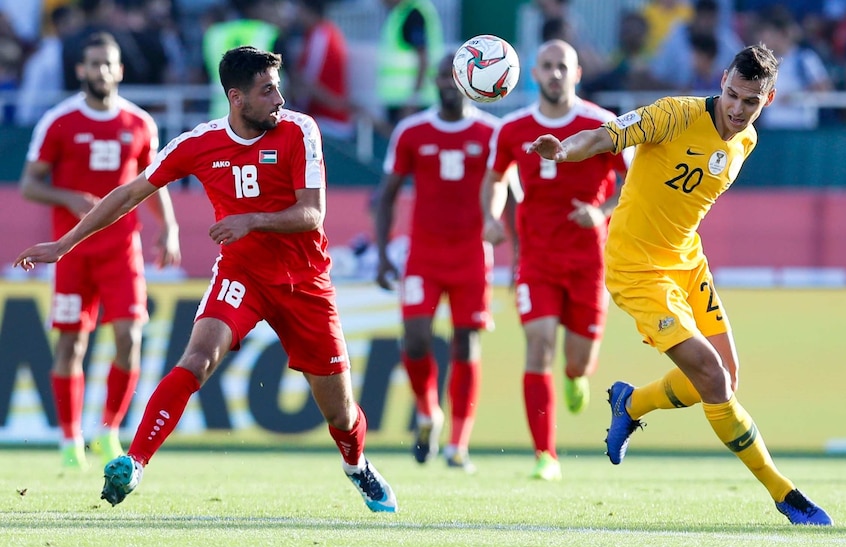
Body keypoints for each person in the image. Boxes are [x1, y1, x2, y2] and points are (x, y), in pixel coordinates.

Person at [14, 45, 398, 514]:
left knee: (338, 411)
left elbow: (312, 213)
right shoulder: (198, 143)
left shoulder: (301, 130)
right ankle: (134, 462)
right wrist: (64, 244)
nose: (279, 99)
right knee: (196, 358)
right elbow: (130, 192)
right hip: (242, 274)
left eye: (278, 88)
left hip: (305, 281)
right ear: (236, 98)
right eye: (267, 90)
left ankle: (356, 465)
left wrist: (251, 220)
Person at [529, 44, 833, 525]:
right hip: (636, 267)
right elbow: (607, 136)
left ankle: (631, 402)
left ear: (768, 100)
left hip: (687, 261)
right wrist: (565, 151)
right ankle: (784, 493)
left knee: (726, 378)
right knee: (711, 377)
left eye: (750, 102)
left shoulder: (746, 140)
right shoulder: (673, 115)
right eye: (732, 94)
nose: (737, 109)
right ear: (721, 82)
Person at [19, 31, 181, 470]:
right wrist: (68, 198)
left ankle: (108, 431)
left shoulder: (138, 122)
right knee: (71, 343)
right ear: (80, 70)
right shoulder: (59, 120)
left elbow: (154, 180)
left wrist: (168, 227)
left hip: (121, 248)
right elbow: (29, 183)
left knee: (130, 337)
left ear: (120, 71)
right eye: (93, 64)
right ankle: (70, 439)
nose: (101, 71)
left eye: (109, 64)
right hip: (72, 253)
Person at [481, 40, 630, 481]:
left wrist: (600, 213)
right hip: (538, 258)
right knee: (539, 347)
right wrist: (492, 218)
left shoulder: (602, 124)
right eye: (547, 66)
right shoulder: (511, 128)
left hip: (588, 260)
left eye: (562, 66)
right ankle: (546, 455)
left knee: (578, 361)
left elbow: (633, 183)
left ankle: (575, 375)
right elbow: (495, 179)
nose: (555, 74)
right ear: (533, 73)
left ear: (578, 73)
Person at [375, 54, 499, 474]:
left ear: (470, 79)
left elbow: (509, 192)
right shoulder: (412, 131)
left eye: (455, 75)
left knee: (467, 344)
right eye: (442, 74)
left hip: (471, 255)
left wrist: (509, 240)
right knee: (414, 340)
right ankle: (429, 413)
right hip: (423, 257)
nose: (448, 82)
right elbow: (387, 194)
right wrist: (380, 254)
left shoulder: (491, 132)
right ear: (433, 79)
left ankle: (458, 445)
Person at [287, 0, 353, 139]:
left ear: (306, 10)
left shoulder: (321, 35)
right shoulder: (314, 34)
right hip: (319, 118)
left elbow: (306, 84)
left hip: (330, 121)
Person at [376, 0, 444, 128]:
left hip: (412, 103)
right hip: (401, 101)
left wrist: (412, 101)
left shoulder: (413, 13)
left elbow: (423, 59)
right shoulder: (401, 13)